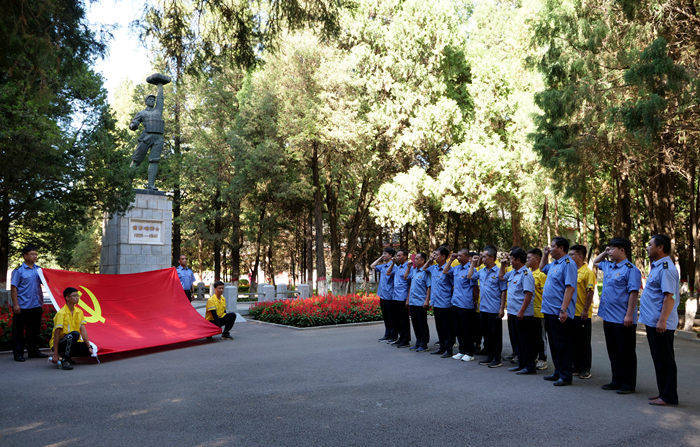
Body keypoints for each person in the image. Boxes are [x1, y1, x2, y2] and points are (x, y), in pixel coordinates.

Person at [593, 238, 642, 395]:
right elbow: (595, 262)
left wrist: (629, 315)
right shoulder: (608, 266)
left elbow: (633, 293)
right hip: (608, 316)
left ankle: (628, 384)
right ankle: (616, 380)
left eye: (613, 248)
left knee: (626, 352)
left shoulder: (631, 269)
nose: (609, 251)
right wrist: (605, 252)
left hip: (623, 318)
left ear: (622, 250)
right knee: (613, 351)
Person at [639, 234, 679, 406]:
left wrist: (662, 320)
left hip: (660, 323)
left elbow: (669, 297)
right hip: (654, 322)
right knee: (659, 359)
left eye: (650, 245)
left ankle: (669, 396)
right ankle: (663, 393)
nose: (647, 247)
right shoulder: (657, 267)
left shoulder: (665, 268)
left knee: (665, 360)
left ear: (660, 247)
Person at [539, 236, 578, 386]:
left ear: (561, 248)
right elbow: (542, 269)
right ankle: (558, 371)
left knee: (563, 345)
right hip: (549, 310)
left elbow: (570, 288)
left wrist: (563, 309)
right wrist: (544, 255)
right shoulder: (555, 263)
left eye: (553, 246)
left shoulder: (568, 264)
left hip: (559, 312)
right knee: (554, 344)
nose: (550, 248)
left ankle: (566, 375)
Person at [500, 247, 537, 374]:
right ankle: (521, 364)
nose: (510, 261)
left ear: (517, 260)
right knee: (517, 341)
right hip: (512, 312)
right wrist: (503, 265)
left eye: (511, 259)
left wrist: (521, 311)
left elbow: (528, 294)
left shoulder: (526, 274)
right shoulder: (512, 272)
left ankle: (529, 366)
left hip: (522, 314)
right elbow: (501, 277)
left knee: (525, 341)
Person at [468, 246, 505, 368]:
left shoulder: (499, 271)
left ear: (492, 258)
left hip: (494, 309)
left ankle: (497, 358)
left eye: (484, 256)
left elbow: (503, 290)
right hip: (483, 308)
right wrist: (473, 264)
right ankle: (489, 357)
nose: (482, 258)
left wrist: (501, 308)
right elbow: (470, 277)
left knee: (495, 336)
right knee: (487, 335)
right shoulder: (481, 271)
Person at [10, 245, 47, 362]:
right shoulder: (18, 271)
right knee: (19, 331)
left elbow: (47, 283)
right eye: (32, 254)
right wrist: (16, 304)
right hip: (23, 306)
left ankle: (33, 351)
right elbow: (14, 288)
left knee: (34, 331)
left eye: (36, 254)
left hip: (36, 305)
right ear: (25, 256)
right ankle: (18, 354)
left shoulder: (39, 270)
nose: (35, 256)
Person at [443, 249, 477, 362]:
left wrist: (475, 302)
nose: (458, 258)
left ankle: (469, 352)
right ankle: (461, 351)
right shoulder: (456, 268)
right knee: (458, 330)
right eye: (458, 256)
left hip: (466, 304)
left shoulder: (471, 269)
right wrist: (451, 259)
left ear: (467, 257)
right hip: (455, 302)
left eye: (460, 256)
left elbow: (475, 288)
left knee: (467, 330)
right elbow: (445, 271)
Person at [49, 287, 93, 370]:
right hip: (60, 343)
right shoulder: (61, 314)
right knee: (74, 335)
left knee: (87, 349)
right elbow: (56, 334)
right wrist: (55, 353)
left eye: (78, 296)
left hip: (71, 340)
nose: (77, 298)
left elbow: (83, 330)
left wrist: (89, 347)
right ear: (67, 298)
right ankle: (65, 360)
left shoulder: (79, 312)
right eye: (74, 296)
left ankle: (65, 356)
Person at [569, 244, 596, 379]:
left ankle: (585, 368)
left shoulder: (588, 272)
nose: (570, 257)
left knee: (584, 342)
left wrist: (585, 310)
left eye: (572, 254)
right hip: (571, 312)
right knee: (573, 341)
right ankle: (575, 366)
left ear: (580, 256)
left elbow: (590, 292)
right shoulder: (572, 270)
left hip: (582, 313)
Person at [422, 246, 454, 357]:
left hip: (445, 303)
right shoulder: (434, 268)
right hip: (436, 302)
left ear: (444, 256)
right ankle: (442, 347)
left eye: (437, 255)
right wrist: (430, 260)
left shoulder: (449, 268)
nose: (435, 256)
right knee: (439, 327)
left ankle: (449, 349)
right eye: (434, 255)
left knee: (447, 328)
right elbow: (424, 268)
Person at [526, 248, 548, 370]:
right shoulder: (527, 273)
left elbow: (545, 293)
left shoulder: (541, 274)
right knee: (532, 336)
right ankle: (533, 356)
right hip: (529, 311)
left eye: (530, 258)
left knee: (541, 337)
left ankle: (542, 358)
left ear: (538, 259)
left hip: (539, 311)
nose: (527, 260)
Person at [405, 252, 431, 352]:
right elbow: (406, 278)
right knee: (415, 323)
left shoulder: (426, 272)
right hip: (412, 301)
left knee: (422, 323)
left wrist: (426, 300)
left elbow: (429, 287)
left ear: (423, 260)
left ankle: (424, 343)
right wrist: (408, 299)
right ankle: (418, 341)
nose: (414, 260)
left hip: (421, 302)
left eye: (417, 258)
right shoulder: (414, 270)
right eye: (414, 258)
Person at [386, 250, 412, 348]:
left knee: (404, 320)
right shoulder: (397, 267)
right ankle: (400, 338)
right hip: (395, 297)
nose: (397, 257)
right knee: (397, 319)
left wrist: (408, 299)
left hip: (403, 297)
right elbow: (388, 273)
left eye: (399, 255)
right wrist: (392, 263)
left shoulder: (409, 267)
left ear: (405, 257)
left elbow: (409, 284)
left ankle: (406, 340)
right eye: (397, 255)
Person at [371, 248, 397, 342]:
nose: (383, 255)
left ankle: (393, 336)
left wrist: (392, 261)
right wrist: (381, 257)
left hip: (390, 296)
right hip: (382, 295)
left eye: (385, 254)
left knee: (391, 317)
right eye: (383, 253)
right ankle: (387, 334)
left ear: (390, 255)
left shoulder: (394, 266)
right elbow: (372, 266)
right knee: (386, 317)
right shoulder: (383, 266)